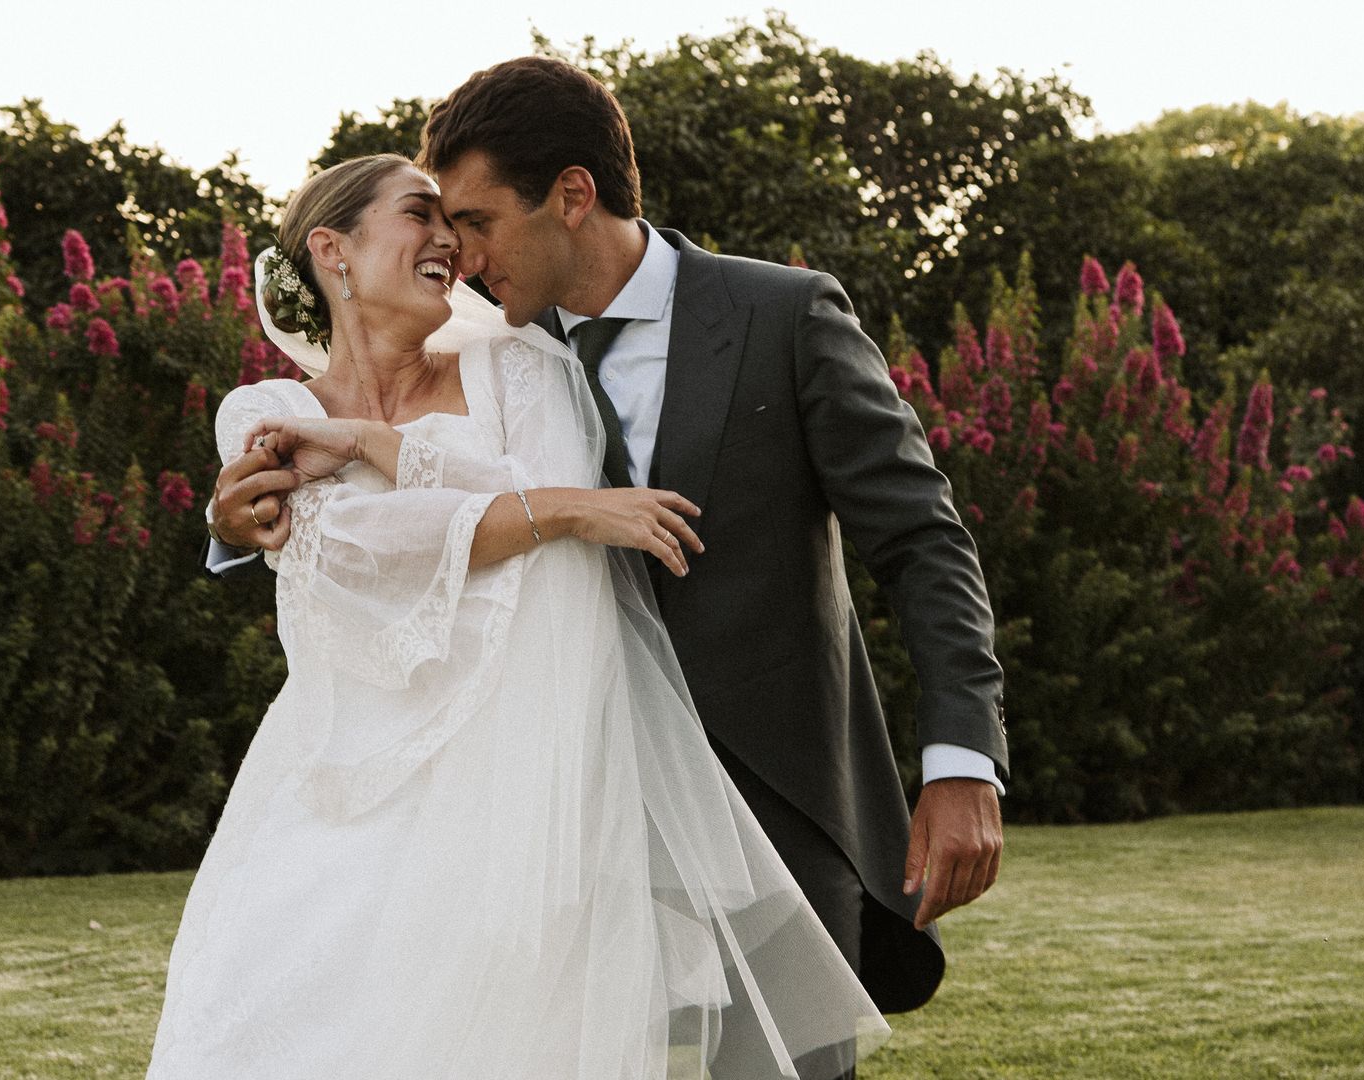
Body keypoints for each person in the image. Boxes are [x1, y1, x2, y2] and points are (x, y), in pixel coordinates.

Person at [207, 57, 1010, 1067]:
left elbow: (922, 539)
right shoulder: (504, 346)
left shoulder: (784, 318)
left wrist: (961, 761)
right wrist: (242, 524)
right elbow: (392, 498)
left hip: (761, 806)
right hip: (544, 823)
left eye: (478, 220)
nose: (457, 252)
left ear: (573, 197)